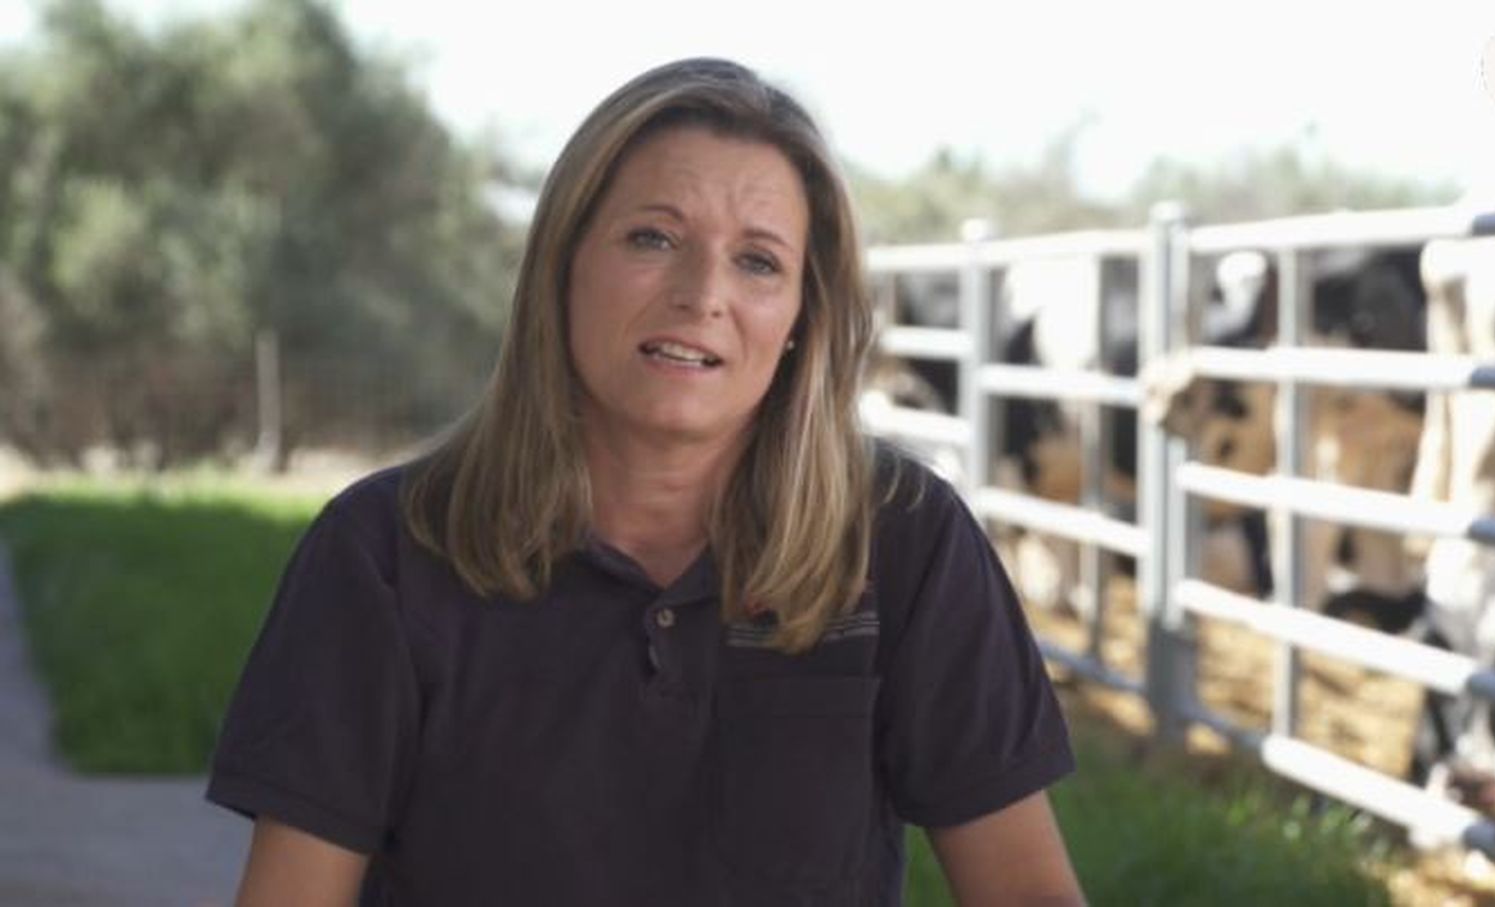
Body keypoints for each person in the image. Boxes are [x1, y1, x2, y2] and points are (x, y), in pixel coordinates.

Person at [206, 57, 1085, 906]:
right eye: (653, 237)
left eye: (758, 261)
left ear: (798, 318)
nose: (703, 293)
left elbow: (1030, 893)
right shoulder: (385, 552)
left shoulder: (902, 538)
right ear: (563, 263)